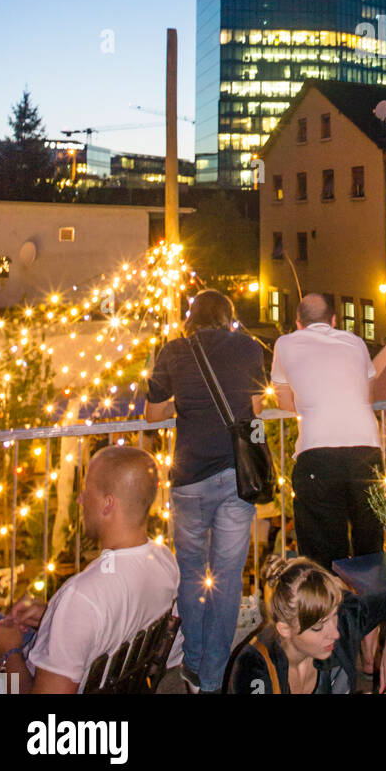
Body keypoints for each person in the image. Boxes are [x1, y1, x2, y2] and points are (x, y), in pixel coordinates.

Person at [144, 288, 266, 694]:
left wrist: (185, 398)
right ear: (228, 316)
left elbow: (153, 413)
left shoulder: (174, 350)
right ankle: (211, 678)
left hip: (190, 477)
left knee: (192, 574)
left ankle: (192, 663)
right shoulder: (250, 348)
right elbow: (257, 408)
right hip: (236, 477)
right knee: (228, 579)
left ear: (192, 316)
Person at [0, 446, 180, 693]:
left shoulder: (82, 596)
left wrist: (6, 655)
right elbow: (115, 621)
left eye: (87, 490)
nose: (80, 498)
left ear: (108, 504)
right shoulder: (165, 561)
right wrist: (52, 616)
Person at [271, 293, 382, 569]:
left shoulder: (285, 344)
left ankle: (330, 609)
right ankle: (369, 606)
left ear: (298, 323)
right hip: (367, 447)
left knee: (323, 553)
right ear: (333, 321)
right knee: (369, 546)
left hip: (317, 451)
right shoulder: (355, 342)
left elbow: (284, 402)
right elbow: (368, 396)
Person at [226, 554, 386, 694]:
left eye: (334, 615)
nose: (335, 634)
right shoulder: (254, 667)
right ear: (285, 629)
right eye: (318, 627)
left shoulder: (344, 620)